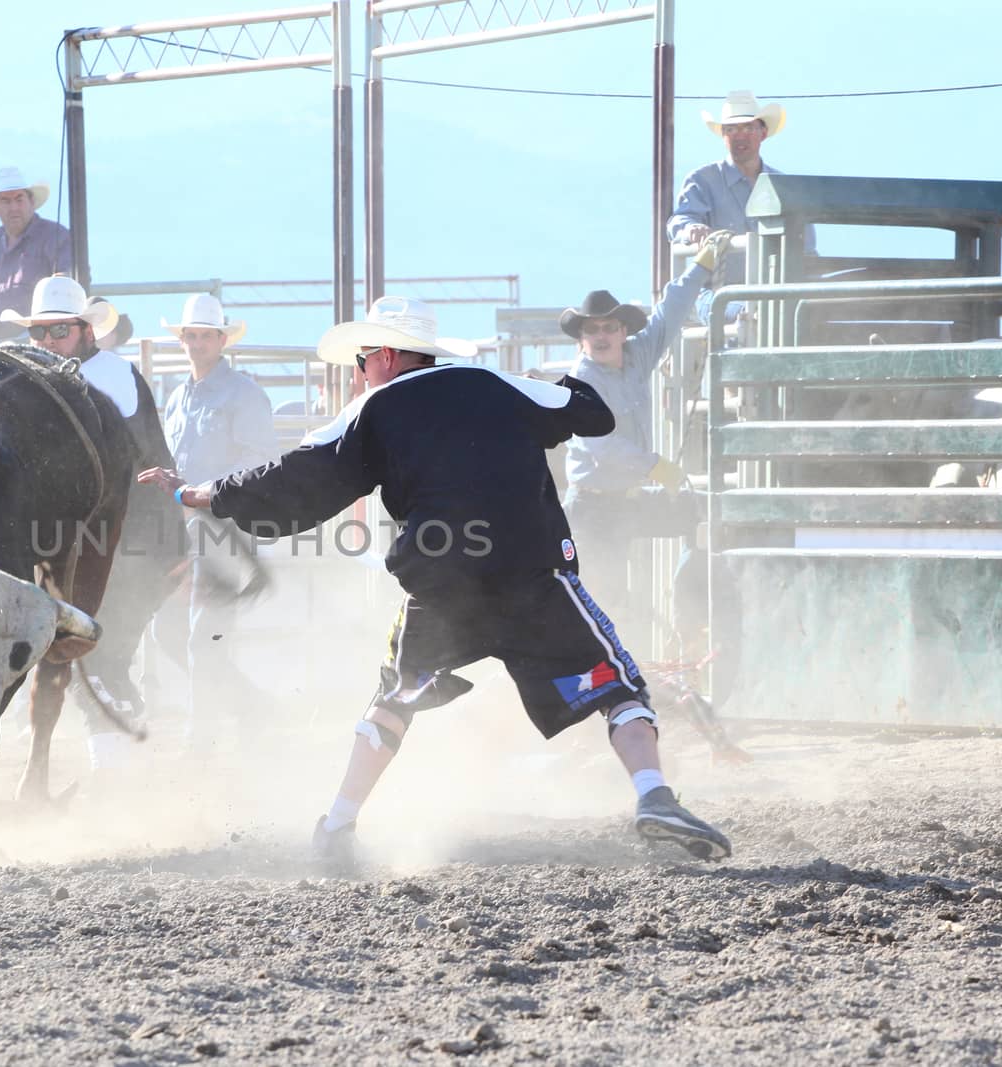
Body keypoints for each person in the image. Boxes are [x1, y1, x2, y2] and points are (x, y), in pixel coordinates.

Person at [138, 296, 733, 863]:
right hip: (532, 573)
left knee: (394, 699)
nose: (360, 370)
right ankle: (655, 796)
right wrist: (558, 387)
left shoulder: (369, 411)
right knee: (618, 685)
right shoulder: (496, 384)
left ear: (389, 356)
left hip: (442, 585)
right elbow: (588, 412)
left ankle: (338, 824)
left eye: (363, 358)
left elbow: (294, 476)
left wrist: (199, 493)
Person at [560, 234, 750, 762]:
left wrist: (699, 267)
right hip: (594, 506)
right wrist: (656, 465)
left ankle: (693, 626)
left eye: (608, 327)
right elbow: (601, 446)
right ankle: (592, 708)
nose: (600, 336)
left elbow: (670, 312)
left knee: (694, 515)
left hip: (621, 502)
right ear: (583, 337)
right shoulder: (582, 380)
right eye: (592, 329)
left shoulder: (638, 356)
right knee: (603, 610)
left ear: (622, 331)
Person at [0, 276, 183, 771]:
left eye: (58, 332)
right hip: (103, 546)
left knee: (97, 652)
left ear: (85, 331)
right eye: (39, 334)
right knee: (95, 652)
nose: (46, 343)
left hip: (133, 544)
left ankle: (118, 767)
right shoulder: (65, 380)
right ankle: (122, 763)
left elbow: (135, 466)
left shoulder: (109, 377)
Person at [156, 293, 279, 753]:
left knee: (202, 635)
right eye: (191, 335)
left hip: (225, 527)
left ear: (222, 340)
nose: (198, 343)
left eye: (207, 335)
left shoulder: (243, 394)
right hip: (187, 527)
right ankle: (250, 706)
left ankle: (200, 739)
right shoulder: (177, 398)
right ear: (183, 339)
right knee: (170, 631)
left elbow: (261, 463)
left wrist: (203, 492)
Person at [666, 91, 817, 323]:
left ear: (763, 133)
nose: (740, 136)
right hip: (716, 293)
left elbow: (806, 246)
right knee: (750, 314)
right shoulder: (702, 180)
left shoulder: (784, 186)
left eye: (748, 128)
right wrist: (691, 229)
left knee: (803, 312)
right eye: (731, 129)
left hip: (775, 296)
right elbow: (679, 222)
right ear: (723, 136)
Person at [0, 167, 73, 342]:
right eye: (6, 201)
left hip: (36, 346)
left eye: (19, 199)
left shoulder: (55, 237)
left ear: (31, 202)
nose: (13, 207)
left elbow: (69, 287)